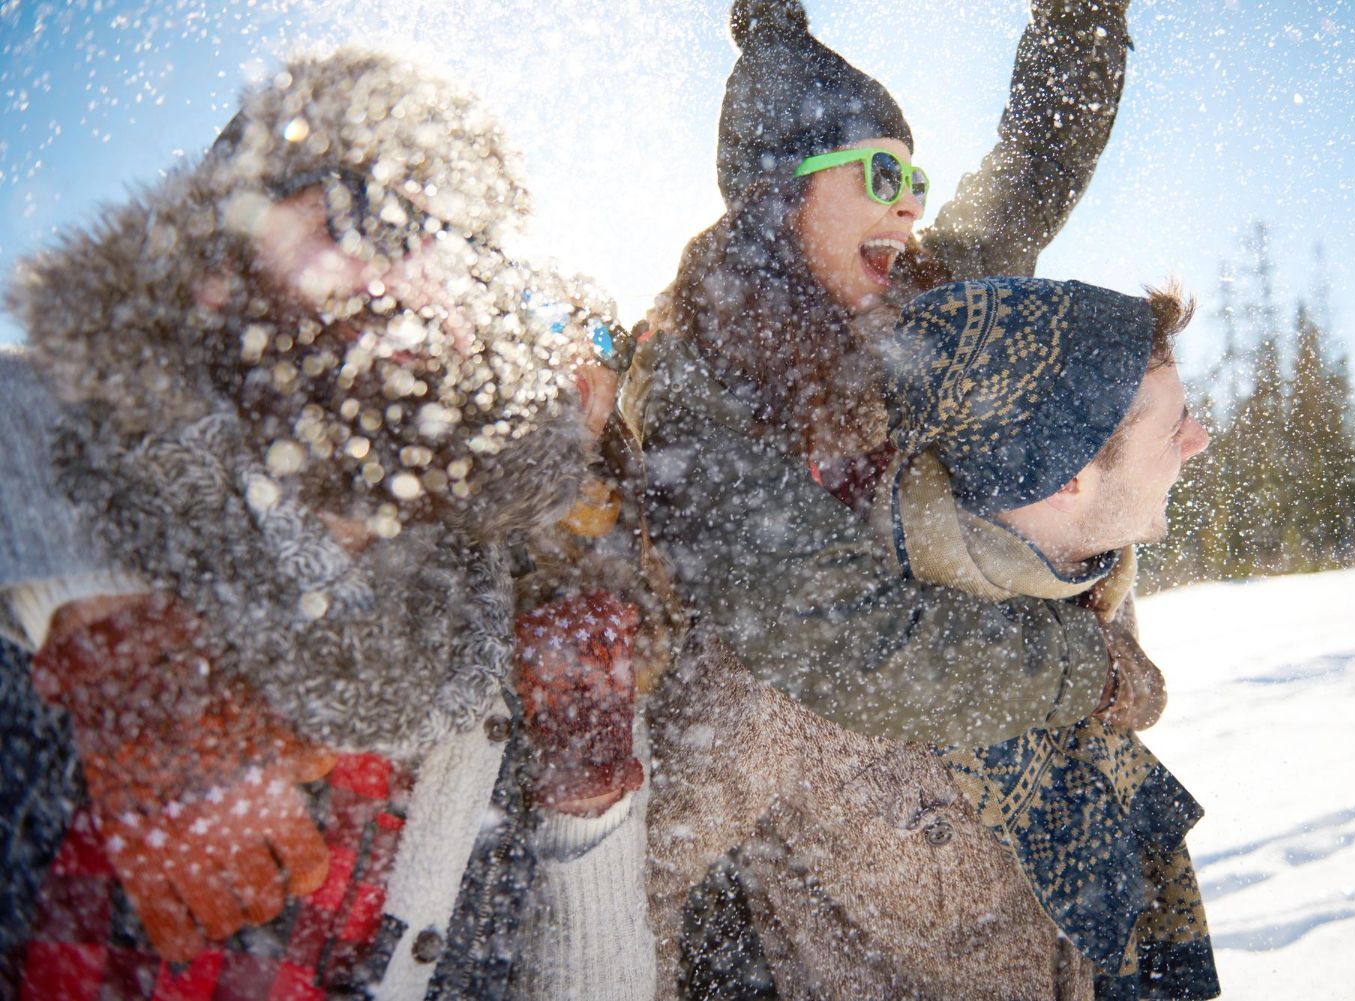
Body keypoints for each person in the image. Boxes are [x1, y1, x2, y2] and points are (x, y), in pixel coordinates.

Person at [3, 50, 653, 999]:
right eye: (370, 213)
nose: (424, 272)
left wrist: (588, 811)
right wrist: (111, 629)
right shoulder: (100, 537)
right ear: (215, 267)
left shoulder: (485, 585)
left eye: (463, 246)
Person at [623, 0, 1156, 994]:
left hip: (1021, 844)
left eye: (914, 176)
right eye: (880, 175)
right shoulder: (691, 393)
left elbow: (1032, 167)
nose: (911, 203)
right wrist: (1083, 665)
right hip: (843, 890)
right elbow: (841, 637)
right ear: (777, 196)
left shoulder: (928, 301)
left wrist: (1082, 18)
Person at [643, 277, 1219, 999]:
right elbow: (641, 881)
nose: (1196, 439)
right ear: (1066, 474)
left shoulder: (1086, 593)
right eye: (1175, 424)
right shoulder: (792, 663)